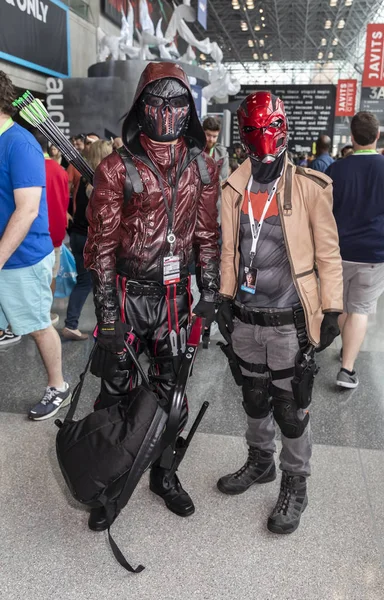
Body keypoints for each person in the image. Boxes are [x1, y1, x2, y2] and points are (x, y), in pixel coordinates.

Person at [84, 62, 219, 532]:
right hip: (125, 293)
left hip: (175, 298)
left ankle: (164, 474)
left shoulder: (203, 166)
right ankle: (108, 480)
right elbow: (99, 244)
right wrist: (105, 317)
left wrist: (211, 291)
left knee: (174, 390)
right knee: (115, 391)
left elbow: (206, 233)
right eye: (157, 102)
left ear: (190, 108)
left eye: (177, 101)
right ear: (141, 107)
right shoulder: (114, 167)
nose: (167, 112)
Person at [216, 91, 343, 534]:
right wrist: (222, 299)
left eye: (268, 127)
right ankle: (260, 461)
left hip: (289, 319)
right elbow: (228, 251)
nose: (262, 137)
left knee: (290, 407)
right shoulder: (234, 187)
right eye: (252, 129)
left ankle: (295, 482)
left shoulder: (309, 186)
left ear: (283, 127)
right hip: (246, 316)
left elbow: (329, 255)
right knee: (252, 397)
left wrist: (333, 310)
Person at [0, 70, 70, 419]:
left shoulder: (20, 143)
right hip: (5, 257)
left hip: (22, 258)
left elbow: (27, 211)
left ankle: (57, 385)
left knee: (39, 325)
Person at [326, 112, 384, 388]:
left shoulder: (336, 170)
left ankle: (347, 344)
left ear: (352, 137)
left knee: (341, 306)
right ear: (376, 136)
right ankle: (347, 369)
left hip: (338, 251)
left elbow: (323, 212)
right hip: (374, 253)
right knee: (359, 309)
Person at [61, 135, 102, 341]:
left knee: (84, 282)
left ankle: (72, 323)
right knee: (93, 282)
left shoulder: (85, 178)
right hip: (89, 237)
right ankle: (78, 324)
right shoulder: (98, 182)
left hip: (77, 234)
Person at [35, 131, 70, 326]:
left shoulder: (29, 168)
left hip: (31, 233)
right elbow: (64, 203)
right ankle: (45, 315)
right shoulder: (60, 171)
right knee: (51, 275)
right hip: (55, 233)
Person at [202, 116, 229, 181]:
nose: (211, 139)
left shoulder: (222, 154)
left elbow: (223, 180)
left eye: (214, 136)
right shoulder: (193, 150)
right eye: (208, 135)